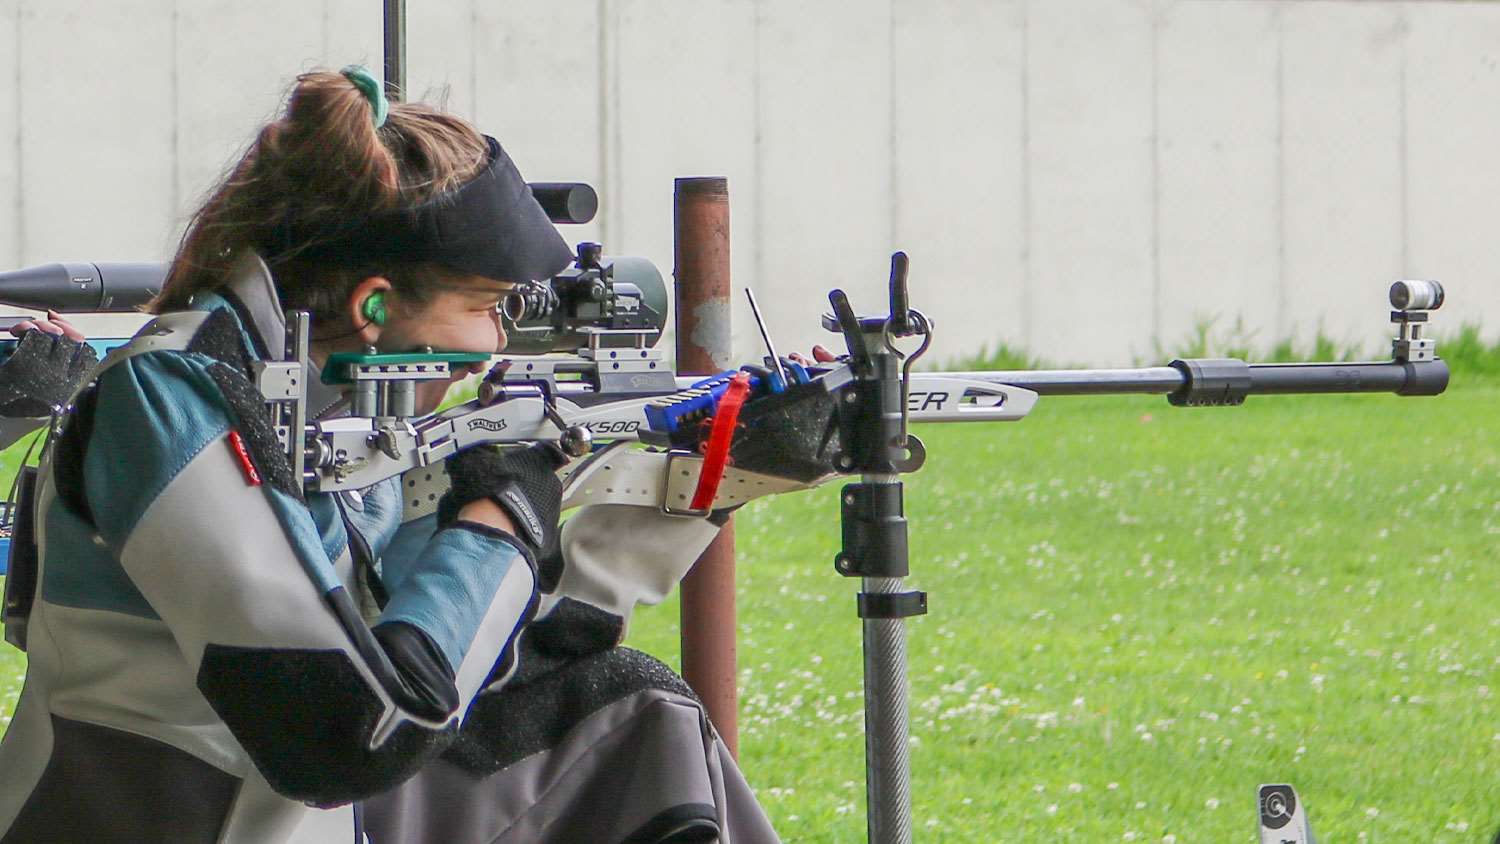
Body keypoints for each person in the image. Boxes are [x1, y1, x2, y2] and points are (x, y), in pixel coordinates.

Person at [0, 67, 779, 843]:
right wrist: (501, 516)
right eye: (481, 308)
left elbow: (488, 654)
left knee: (637, 710)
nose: (493, 343)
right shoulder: (166, 401)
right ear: (373, 305)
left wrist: (716, 475)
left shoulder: (335, 407)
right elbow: (349, 737)